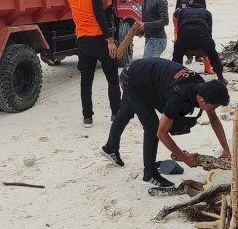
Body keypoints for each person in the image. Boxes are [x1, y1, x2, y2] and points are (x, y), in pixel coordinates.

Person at [98, 58, 230, 188]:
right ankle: (150, 174)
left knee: (126, 111)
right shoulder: (178, 96)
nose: (213, 111)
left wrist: (226, 149)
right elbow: (161, 133)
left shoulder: (203, 88)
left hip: (144, 74)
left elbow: (214, 120)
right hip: (132, 79)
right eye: (213, 108)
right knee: (152, 126)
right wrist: (184, 157)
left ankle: (110, 148)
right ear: (201, 100)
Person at [48, 0, 119, 128]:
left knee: (86, 81)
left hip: (83, 42)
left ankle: (87, 117)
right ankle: (116, 114)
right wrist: (110, 39)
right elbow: (100, 16)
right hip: (99, 40)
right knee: (112, 78)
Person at [172, 0, 225, 83]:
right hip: (202, 35)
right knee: (213, 54)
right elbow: (209, 32)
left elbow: (179, 30)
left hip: (185, 35)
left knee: (177, 54)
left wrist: (180, 43)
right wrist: (208, 46)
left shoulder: (182, 11)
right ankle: (220, 76)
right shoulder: (207, 12)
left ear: (191, 1)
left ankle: (175, 77)